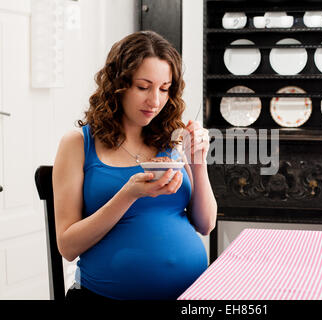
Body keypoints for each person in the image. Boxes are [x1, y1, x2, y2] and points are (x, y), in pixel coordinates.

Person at [53, 30, 217, 300]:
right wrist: (129, 194)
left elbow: (205, 223)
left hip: (191, 295)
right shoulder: (78, 144)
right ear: (118, 85)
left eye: (164, 89)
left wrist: (198, 162)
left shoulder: (171, 139)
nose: (155, 101)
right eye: (143, 87)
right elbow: (68, 246)